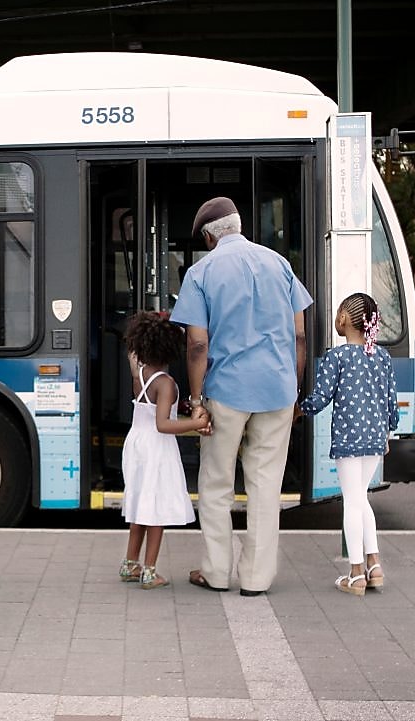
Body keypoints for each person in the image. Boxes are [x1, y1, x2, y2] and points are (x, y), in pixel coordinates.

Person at [170, 196, 313, 596]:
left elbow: (197, 346)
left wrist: (197, 401)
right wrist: (296, 388)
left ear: (208, 237)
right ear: (237, 226)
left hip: (226, 392)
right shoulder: (279, 264)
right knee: (266, 486)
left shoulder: (201, 273)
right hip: (279, 390)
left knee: (216, 484)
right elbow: (299, 336)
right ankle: (256, 579)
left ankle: (216, 573)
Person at [297, 292, 398, 596]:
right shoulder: (382, 356)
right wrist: (387, 434)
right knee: (361, 498)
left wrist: (298, 410)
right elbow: (391, 401)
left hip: (349, 438)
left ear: (343, 319)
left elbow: (320, 397)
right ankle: (374, 564)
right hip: (376, 438)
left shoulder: (337, 357)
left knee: (352, 502)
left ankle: (356, 573)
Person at [119, 311, 211, 590]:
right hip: (157, 449)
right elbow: (163, 424)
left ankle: (130, 564)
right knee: (155, 510)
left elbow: (151, 413)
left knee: (139, 507)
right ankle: (150, 571)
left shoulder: (142, 375)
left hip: (136, 443)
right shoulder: (167, 383)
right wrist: (196, 423)